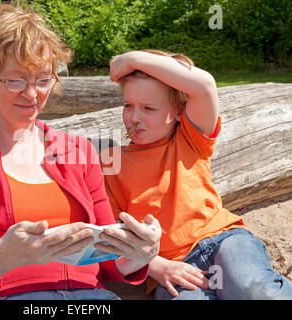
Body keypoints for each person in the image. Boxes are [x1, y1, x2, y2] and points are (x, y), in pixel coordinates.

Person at [0, 4, 161, 300]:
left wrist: (139, 254)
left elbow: (106, 263)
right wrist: (1, 257)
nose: (32, 94)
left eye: (43, 80)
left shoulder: (78, 152)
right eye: (16, 80)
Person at [101, 49, 292, 300]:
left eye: (148, 108)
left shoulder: (190, 139)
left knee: (255, 290)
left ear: (179, 112)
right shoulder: (112, 163)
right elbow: (112, 234)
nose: (134, 117)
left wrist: (132, 60)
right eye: (128, 105)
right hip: (173, 265)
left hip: (224, 241)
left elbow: (204, 86)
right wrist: (157, 266)